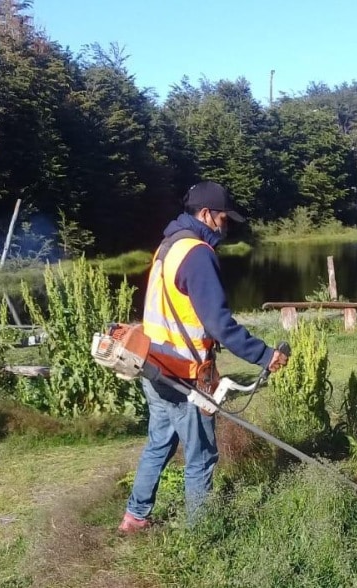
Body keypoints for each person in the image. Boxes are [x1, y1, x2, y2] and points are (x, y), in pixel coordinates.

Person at [118, 180, 288, 533]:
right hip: (183, 373)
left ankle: (134, 517)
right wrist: (264, 355)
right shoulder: (197, 254)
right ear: (207, 215)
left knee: (158, 444)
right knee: (201, 456)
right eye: (225, 219)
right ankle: (201, 534)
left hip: (154, 366)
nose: (227, 226)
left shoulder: (169, 246)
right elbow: (220, 324)